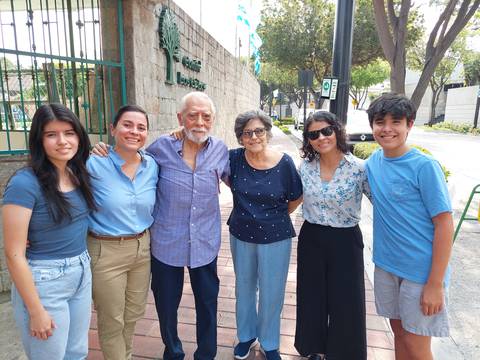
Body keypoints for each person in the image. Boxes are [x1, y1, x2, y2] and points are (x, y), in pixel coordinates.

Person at [2, 104, 95, 359]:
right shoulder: (24, 183)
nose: (62, 141)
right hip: (45, 280)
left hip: (81, 272)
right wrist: (36, 310)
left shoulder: (77, 173)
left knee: (76, 352)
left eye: (69, 132)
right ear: (39, 140)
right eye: (51, 134)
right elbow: (14, 254)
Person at [365, 94, 453, 360]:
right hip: (387, 266)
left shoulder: (424, 167)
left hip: (420, 273)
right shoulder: (372, 164)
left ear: (410, 125)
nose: (387, 128)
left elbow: (444, 224)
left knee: (417, 344)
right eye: (380, 122)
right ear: (372, 126)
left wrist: (435, 284)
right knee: (399, 333)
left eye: (396, 122)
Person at [147, 92, 229, 360]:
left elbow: (243, 177)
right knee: (166, 305)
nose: (199, 122)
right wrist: (100, 150)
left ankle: (206, 354)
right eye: (192, 115)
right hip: (166, 241)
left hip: (205, 241)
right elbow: (130, 166)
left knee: (207, 303)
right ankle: (173, 351)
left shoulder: (220, 150)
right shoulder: (159, 148)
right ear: (180, 118)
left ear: (213, 120)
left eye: (206, 116)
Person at [294, 111, 370, 360]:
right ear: (308, 139)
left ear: (337, 130)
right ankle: (314, 348)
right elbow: (291, 198)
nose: (321, 137)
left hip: (346, 240)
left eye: (326, 130)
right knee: (311, 295)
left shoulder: (359, 169)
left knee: (347, 300)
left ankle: (344, 353)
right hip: (312, 237)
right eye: (314, 134)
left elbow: (382, 201)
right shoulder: (304, 167)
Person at [228, 110, 303, 360]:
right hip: (241, 233)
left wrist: (275, 216)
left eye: (259, 130)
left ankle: (270, 342)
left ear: (267, 132)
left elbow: (296, 196)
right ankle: (246, 336)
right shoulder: (233, 159)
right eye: (247, 133)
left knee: (272, 291)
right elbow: (204, 153)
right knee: (244, 288)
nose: (253, 137)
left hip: (276, 236)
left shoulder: (285, 163)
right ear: (240, 138)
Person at [87, 105, 158, 360]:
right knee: (112, 320)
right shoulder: (93, 163)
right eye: (127, 125)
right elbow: (63, 193)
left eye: (141, 127)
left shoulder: (152, 166)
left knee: (133, 314)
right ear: (112, 129)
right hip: (105, 251)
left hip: (142, 249)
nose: (134, 132)